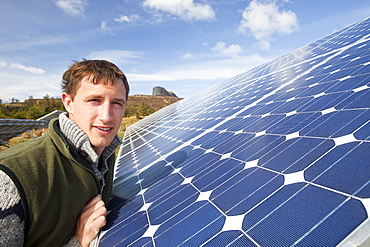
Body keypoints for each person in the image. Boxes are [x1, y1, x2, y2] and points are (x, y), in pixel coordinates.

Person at [0, 59, 129, 246]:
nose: (107, 116)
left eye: (117, 103)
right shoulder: (10, 180)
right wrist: (78, 241)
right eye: (95, 100)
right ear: (68, 103)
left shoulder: (107, 158)